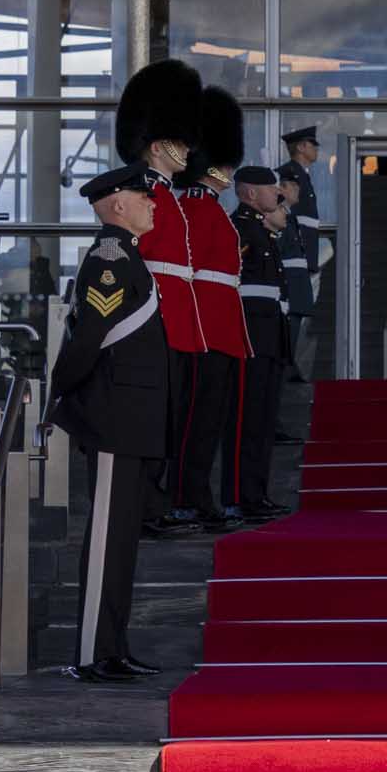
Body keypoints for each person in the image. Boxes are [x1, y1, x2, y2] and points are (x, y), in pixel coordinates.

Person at [55, 165, 173, 684]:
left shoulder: (129, 256)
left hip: (133, 419)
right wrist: (61, 391)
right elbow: (90, 336)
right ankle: (92, 653)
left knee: (122, 542)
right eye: (144, 197)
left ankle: (113, 647)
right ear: (118, 204)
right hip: (114, 418)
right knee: (107, 540)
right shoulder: (110, 256)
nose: (153, 204)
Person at [119, 61, 216, 533]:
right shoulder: (144, 193)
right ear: (157, 145)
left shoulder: (169, 195)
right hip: (156, 320)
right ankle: (144, 508)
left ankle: (152, 505)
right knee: (153, 421)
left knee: (170, 419)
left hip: (178, 321)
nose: (188, 150)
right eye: (180, 142)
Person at [184, 86, 253, 522]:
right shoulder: (193, 207)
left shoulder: (209, 208)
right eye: (226, 165)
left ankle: (198, 495)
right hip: (206, 329)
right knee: (199, 420)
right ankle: (191, 497)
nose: (230, 172)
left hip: (222, 328)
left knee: (211, 421)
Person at [229, 164, 291, 521]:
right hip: (250, 337)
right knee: (247, 421)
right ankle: (240, 496)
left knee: (264, 422)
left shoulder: (261, 231)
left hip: (269, 337)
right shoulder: (241, 229)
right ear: (251, 193)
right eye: (271, 189)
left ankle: (256, 493)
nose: (277, 194)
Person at [277, 123, 326, 381]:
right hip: (292, 257)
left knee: (297, 313)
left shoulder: (302, 175)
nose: (316, 149)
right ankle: (286, 363)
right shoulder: (290, 173)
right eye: (312, 144)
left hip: (301, 257)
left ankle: (290, 362)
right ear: (301, 147)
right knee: (291, 313)